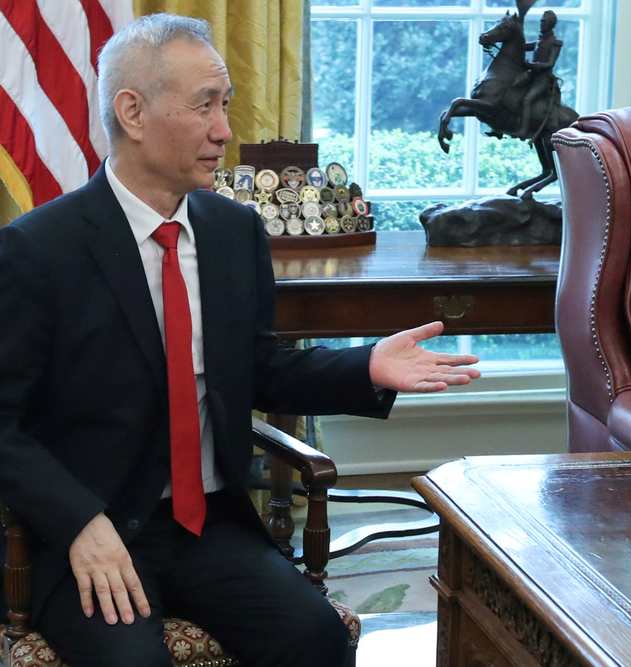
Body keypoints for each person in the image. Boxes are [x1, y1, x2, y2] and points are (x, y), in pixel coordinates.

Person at [0, 13, 479, 667]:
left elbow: (258, 368)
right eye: (205, 107)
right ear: (133, 112)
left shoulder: (233, 231)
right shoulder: (37, 250)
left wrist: (368, 363)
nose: (225, 129)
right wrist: (79, 523)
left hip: (208, 524)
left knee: (316, 637)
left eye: (224, 104)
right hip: (94, 530)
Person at [515, 10, 562, 139]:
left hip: (543, 79)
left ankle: (524, 130)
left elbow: (550, 64)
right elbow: (521, 46)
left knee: (527, 99)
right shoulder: (538, 40)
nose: (541, 24)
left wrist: (532, 65)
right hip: (531, 75)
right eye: (541, 21)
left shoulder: (555, 43)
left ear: (551, 24)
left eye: (544, 22)